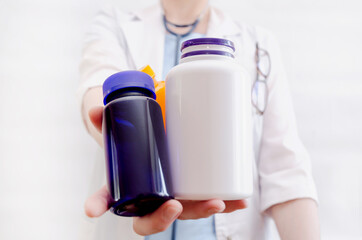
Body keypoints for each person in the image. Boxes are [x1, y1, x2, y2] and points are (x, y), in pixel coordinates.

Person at [77, 0, 320, 239]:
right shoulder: (114, 24)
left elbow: (285, 169)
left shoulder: (258, 43)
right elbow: (99, 86)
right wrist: (124, 149)